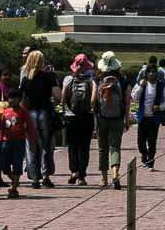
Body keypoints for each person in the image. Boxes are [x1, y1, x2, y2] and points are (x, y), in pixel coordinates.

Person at [20, 50, 59, 189]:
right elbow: (58, 95)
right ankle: (46, 175)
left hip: (30, 113)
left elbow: (23, 100)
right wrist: (54, 103)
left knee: (32, 145)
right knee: (46, 145)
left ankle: (35, 177)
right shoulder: (49, 77)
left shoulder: (25, 80)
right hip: (45, 111)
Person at [92, 52, 130, 190]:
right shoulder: (123, 80)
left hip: (102, 117)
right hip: (117, 118)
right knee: (115, 147)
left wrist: (95, 113)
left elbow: (92, 99)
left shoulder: (98, 79)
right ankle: (115, 173)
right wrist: (126, 119)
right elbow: (127, 101)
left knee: (102, 148)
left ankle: (104, 178)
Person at [61, 54, 95, 185]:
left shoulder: (68, 79)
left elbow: (63, 99)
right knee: (84, 147)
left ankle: (73, 171)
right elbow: (93, 100)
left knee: (72, 146)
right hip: (86, 116)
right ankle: (81, 176)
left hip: (71, 117)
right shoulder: (90, 80)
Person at [0, 97, 35, 198]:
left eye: (15, 98)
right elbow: (2, 129)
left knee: (17, 164)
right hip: (6, 141)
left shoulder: (23, 112)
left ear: (19, 99)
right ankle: (14, 180)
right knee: (4, 165)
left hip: (19, 141)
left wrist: (32, 143)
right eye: (11, 98)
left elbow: (30, 128)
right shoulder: (5, 112)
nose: (13, 101)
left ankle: (13, 189)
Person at [131, 66, 165, 168]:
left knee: (152, 141)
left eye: (154, 72)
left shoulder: (160, 86)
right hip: (142, 116)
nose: (151, 74)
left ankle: (151, 162)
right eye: (149, 72)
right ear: (146, 74)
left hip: (154, 118)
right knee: (141, 142)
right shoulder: (141, 84)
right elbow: (134, 98)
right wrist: (141, 87)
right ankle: (144, 155)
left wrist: (159, 107)